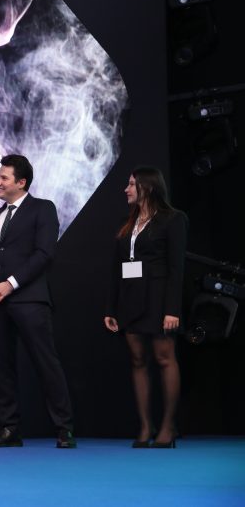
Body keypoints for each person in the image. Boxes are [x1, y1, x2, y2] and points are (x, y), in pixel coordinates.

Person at [0, 154, 76, 448]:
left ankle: (64, 429)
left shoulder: (43, 209)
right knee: (1, 368)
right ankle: (9, 429)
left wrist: (10, 284)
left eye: (3, 177)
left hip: (30, 301)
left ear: (21, 182)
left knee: (46, 364)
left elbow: (44, 254)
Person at [103, 167, 187, 448]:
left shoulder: (173, 219)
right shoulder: (127, 222)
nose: (126, 190)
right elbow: (116, 269)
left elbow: (176, 269)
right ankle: (145, 426)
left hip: (159, 299)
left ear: (147, 187)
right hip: (130, 299)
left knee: (164, 358)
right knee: (138, 360)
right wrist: (111, 308)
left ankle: (168, 426)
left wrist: (172, 309)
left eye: (131, 185)